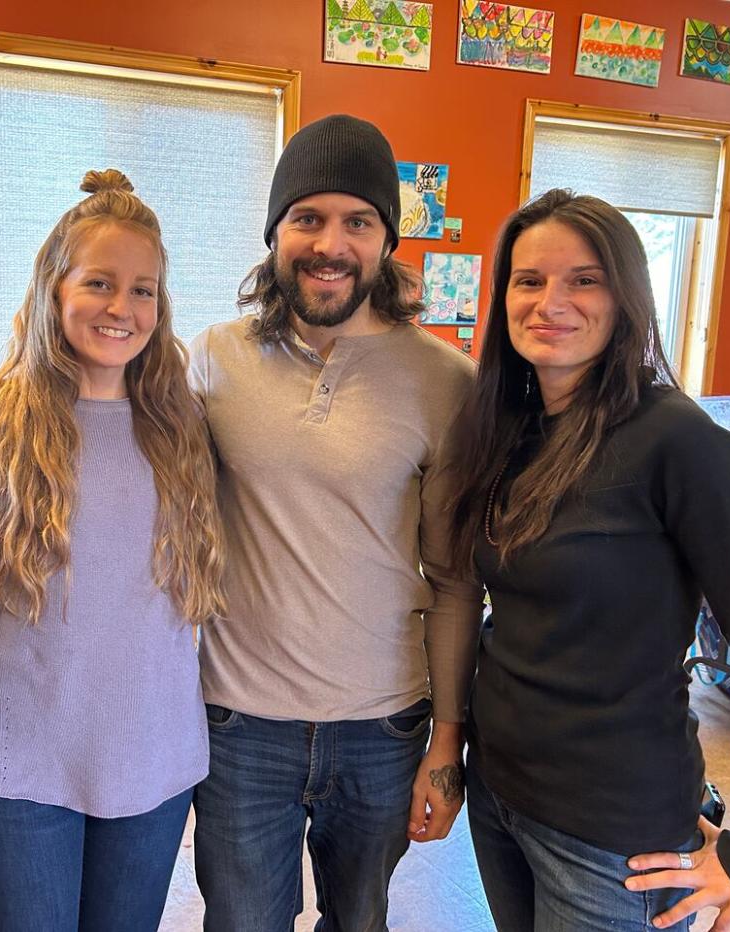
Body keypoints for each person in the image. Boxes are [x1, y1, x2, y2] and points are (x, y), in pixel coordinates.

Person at [447, 188, 730, 930]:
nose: (551, 301)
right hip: (502, 797)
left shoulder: (679, 442)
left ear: (626, 295)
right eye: (529, 279)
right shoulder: (512, 429)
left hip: (613, 837)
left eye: (584, 279)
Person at [188, 114, 483, 931]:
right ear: (275, 231)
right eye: (307, 218)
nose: (331, 243)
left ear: (386, 240)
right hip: (239, 721)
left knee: (361, 923)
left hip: (385, 726)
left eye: (358, 221)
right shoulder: (211, 359)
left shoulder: (446, 383)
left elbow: (456, 583)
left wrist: (445, 748)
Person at [0, 169, 224, 932]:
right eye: (100, 282)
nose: (122, 308)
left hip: (154, 756)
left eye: (143, 290)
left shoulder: (184, 424)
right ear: (54, 288)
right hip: (20, 756)